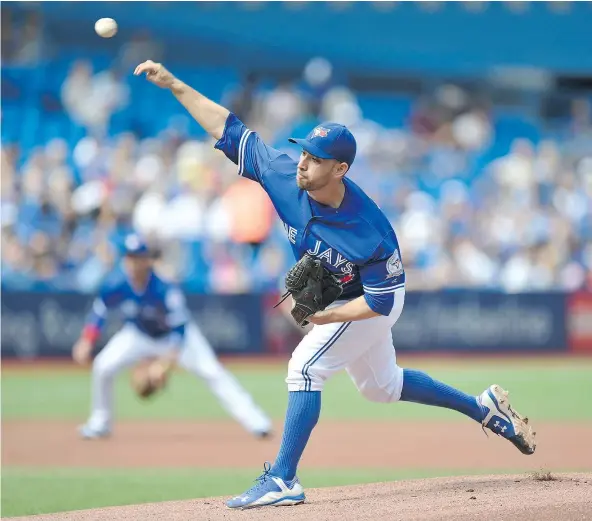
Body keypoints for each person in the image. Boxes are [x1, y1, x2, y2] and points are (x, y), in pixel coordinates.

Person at [134, 61, 536, 509]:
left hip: (369, 300)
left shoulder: (371, 231)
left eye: (315, 159)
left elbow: (381, 306)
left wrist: (329, 316)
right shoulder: (284, 175)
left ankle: (283, 479)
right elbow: (228, 127)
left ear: (341, 169)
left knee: (305, 368)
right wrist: (175, 84)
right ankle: (483, 407)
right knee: (381, 388)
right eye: (303, 153)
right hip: (347, 298)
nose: (303, 163)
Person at [72, 233, 273, 440]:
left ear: (146, 260)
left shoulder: (163, 288)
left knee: (212, 372)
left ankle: (257, 422)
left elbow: (179, 328)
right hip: (138, 334)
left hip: (177, 338)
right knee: (103, 366)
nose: (133, 263)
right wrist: (87, 339)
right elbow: (100, 311)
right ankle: (100, 423)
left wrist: (164, 364)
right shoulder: (115, 284)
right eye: (129, 257)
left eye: (137, 257)